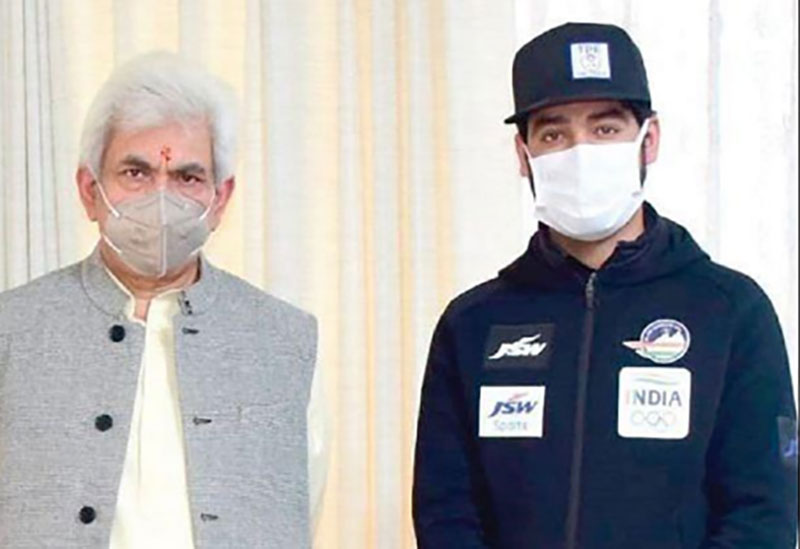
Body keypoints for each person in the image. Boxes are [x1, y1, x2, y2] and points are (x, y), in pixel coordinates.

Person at [412, 22, 798, 548]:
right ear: (523, 154)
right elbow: (446, 513)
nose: (580, 151)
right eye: (554, 135)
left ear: (648, 140)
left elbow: (762, 515)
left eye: (605, 129)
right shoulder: (472, 325)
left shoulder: (731, 311)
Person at [0, 52, 327, 548]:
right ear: (89, 190)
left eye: (187, 178)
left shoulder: (285, 342)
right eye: (135, 172)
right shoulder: (13, 330)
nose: (160, 198)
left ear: (220, 199)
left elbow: (301, 504)